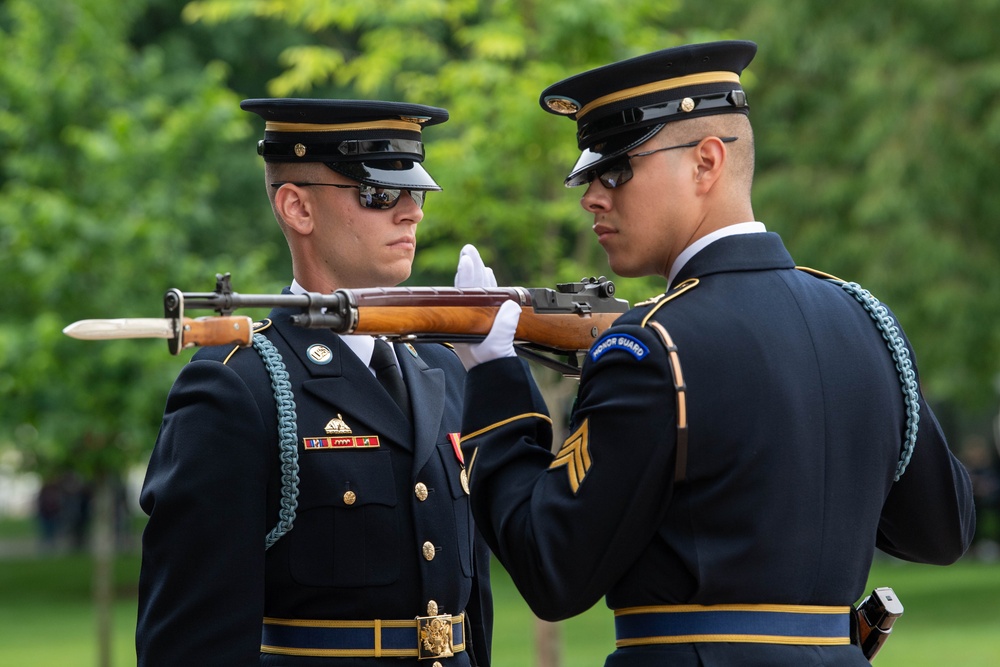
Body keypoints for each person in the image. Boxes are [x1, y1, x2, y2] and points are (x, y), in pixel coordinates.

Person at [454, 41, 975, 666]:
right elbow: (941, 532)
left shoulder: (652, 347)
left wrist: (495, 378)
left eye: (615, 170)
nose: (592, 196)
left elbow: (551, 567)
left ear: (706, 162)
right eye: (589, 177)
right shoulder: (866, 320)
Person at [137, 98, 492, 667]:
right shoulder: (239, 388)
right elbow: (190, 642)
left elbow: (471, 613)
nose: (411, 213)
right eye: (379, 194)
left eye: (416, 192)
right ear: (297, 207)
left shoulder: (444, 366)